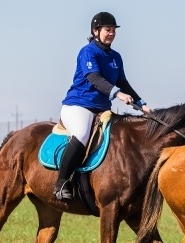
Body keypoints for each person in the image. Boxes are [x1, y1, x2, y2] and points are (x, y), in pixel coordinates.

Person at [55, 12, 152, 201]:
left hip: (101, 110)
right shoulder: (88, 52)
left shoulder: (116, 57)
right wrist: (117, 94)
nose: (112, 34)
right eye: (108, 30)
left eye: (114, 30)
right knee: (82, 134)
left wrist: (141, 103)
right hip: (79, 105)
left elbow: (123, 82)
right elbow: (94, 78)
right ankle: (61, 183)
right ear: (95, 31)